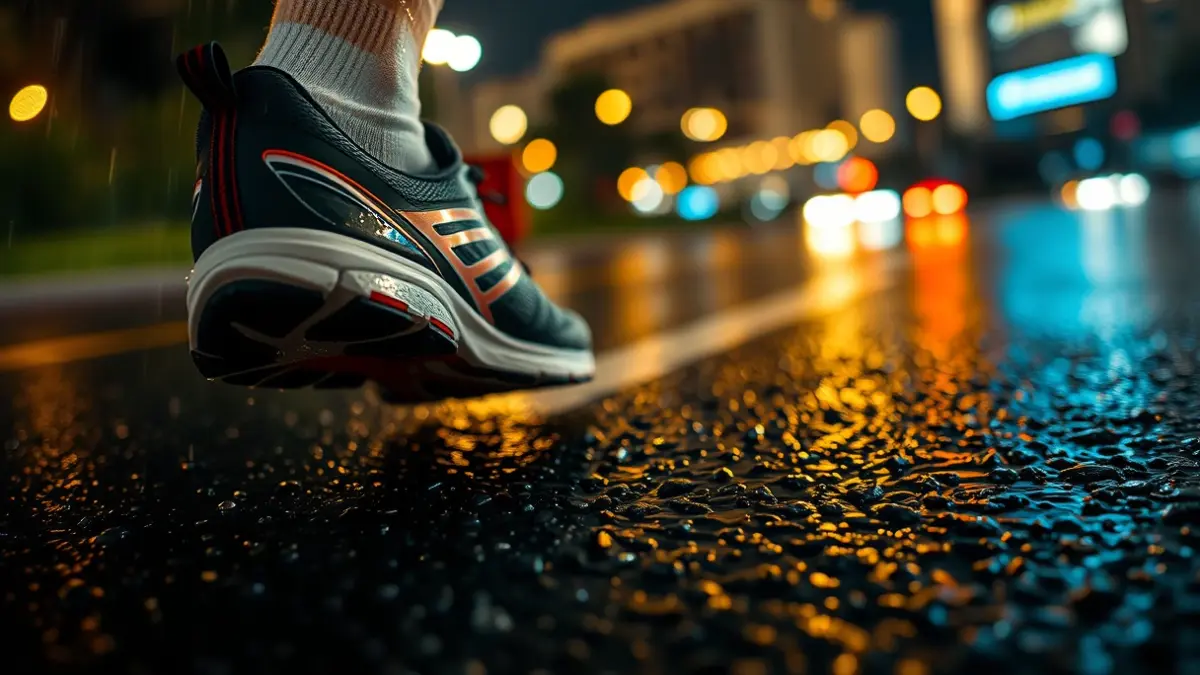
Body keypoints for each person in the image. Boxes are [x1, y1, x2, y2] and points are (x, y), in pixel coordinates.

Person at [178, 0, 594, 402]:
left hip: (254, 169)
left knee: (309, 84)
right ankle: (357, 131)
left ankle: (297, 134)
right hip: (317, 165)